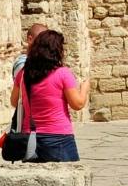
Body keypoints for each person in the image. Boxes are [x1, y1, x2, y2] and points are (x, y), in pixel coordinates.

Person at [9, 27, 86, 162]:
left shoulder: (23, 74)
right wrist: (84, 88)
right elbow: (77, 104)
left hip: (30, 138)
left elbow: (14, 101)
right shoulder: (63, 74)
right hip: (59, 137)